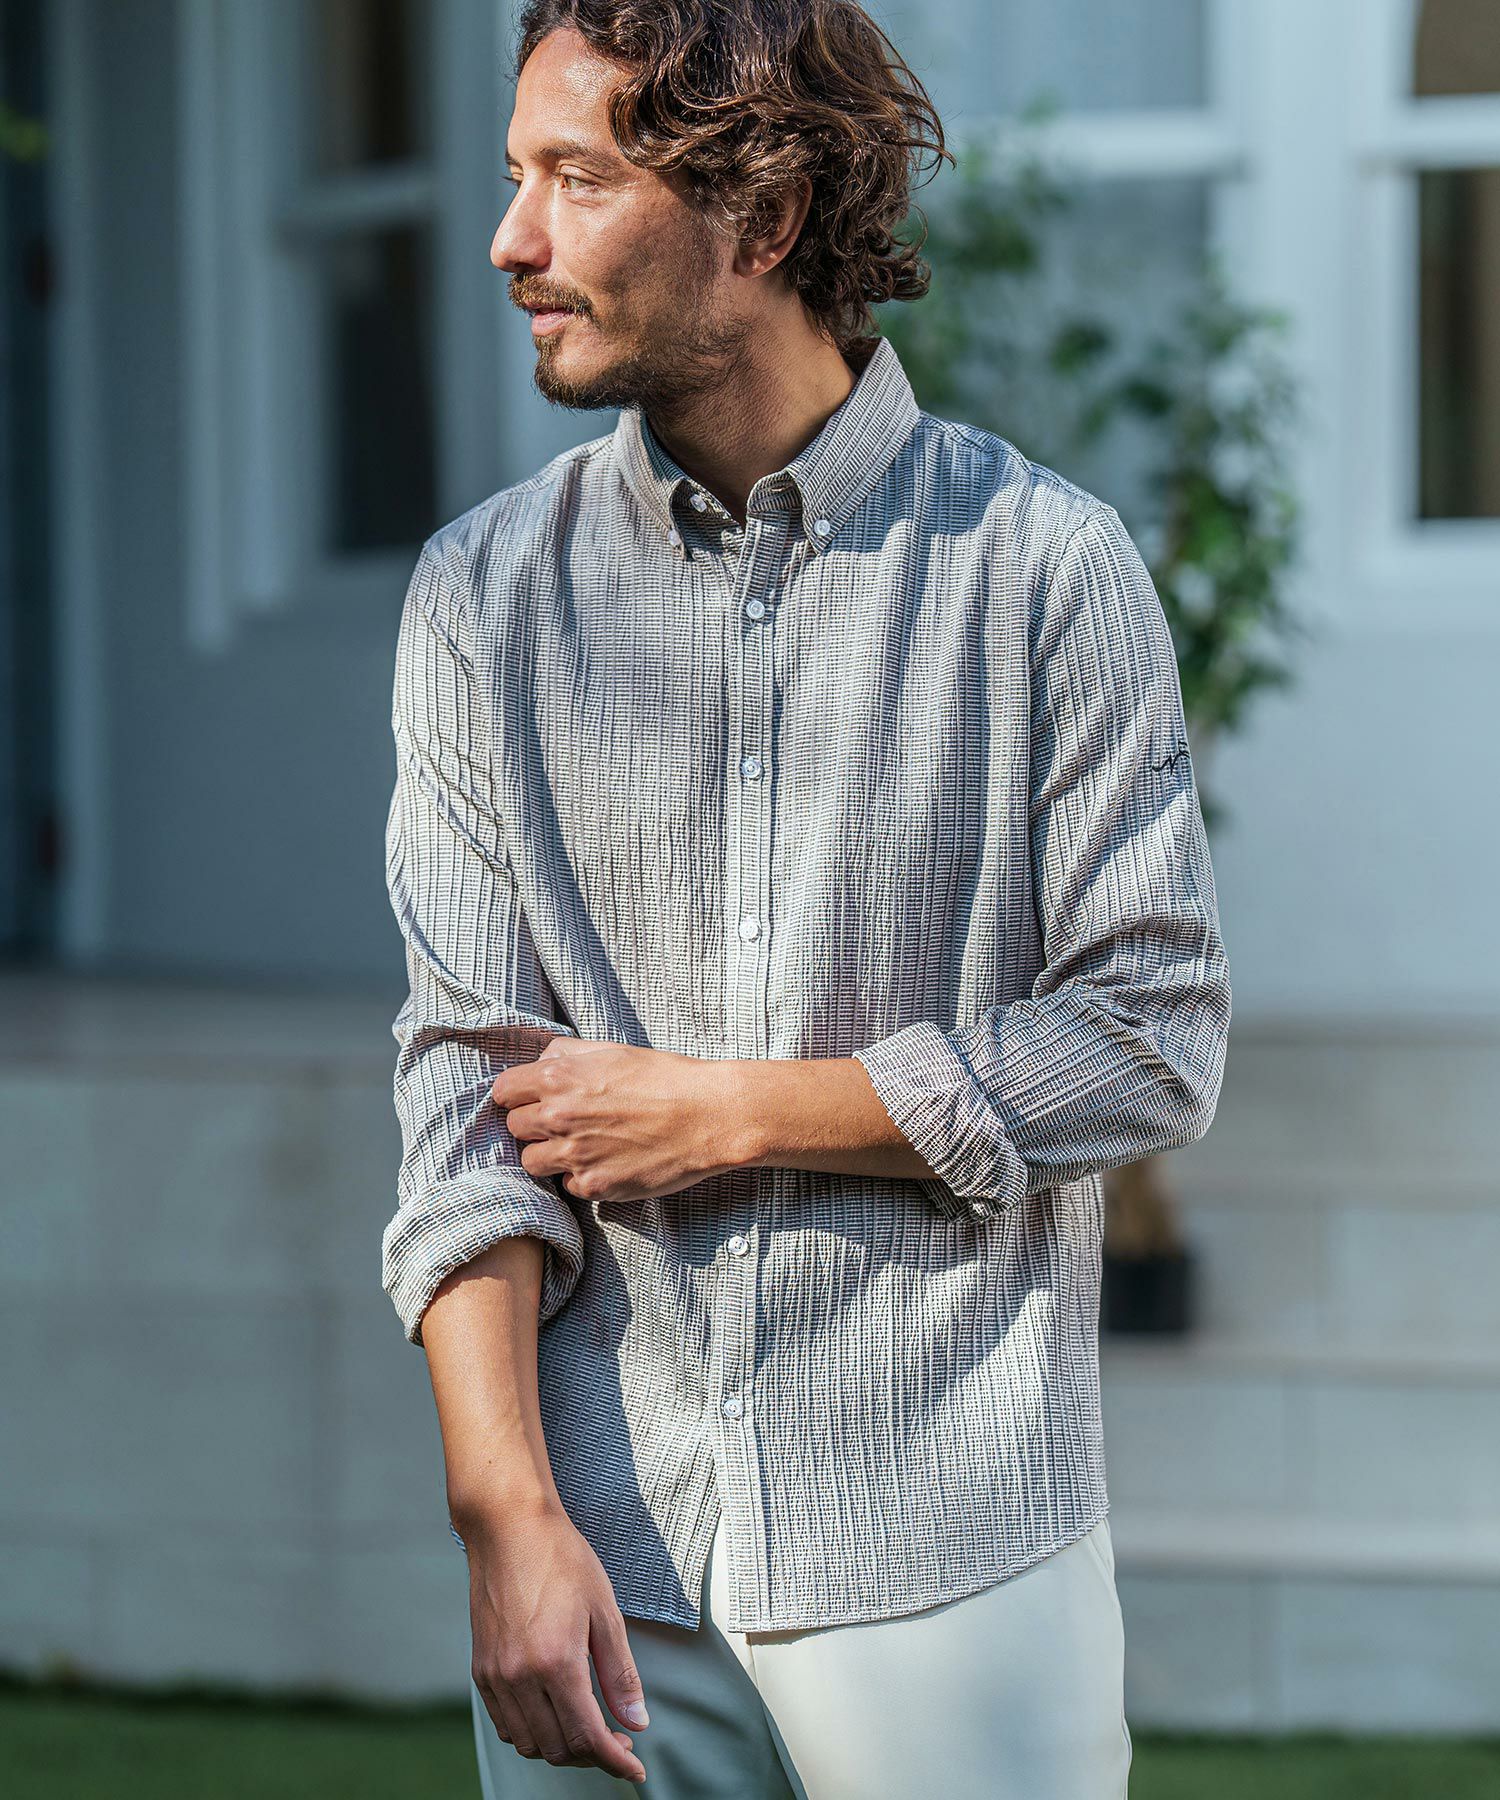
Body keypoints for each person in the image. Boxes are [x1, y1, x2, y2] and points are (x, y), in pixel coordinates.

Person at [381, 3, 1231, 1795]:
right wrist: (505, 1517)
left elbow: (1150, 1040)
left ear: (759, 219)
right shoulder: (481, 601)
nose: (511, 238)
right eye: (516, 174)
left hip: (947, 1554)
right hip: (605, 1566)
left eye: (576, 178)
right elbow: (462, 1103)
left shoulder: (1043, 573)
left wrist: (734, 1114)